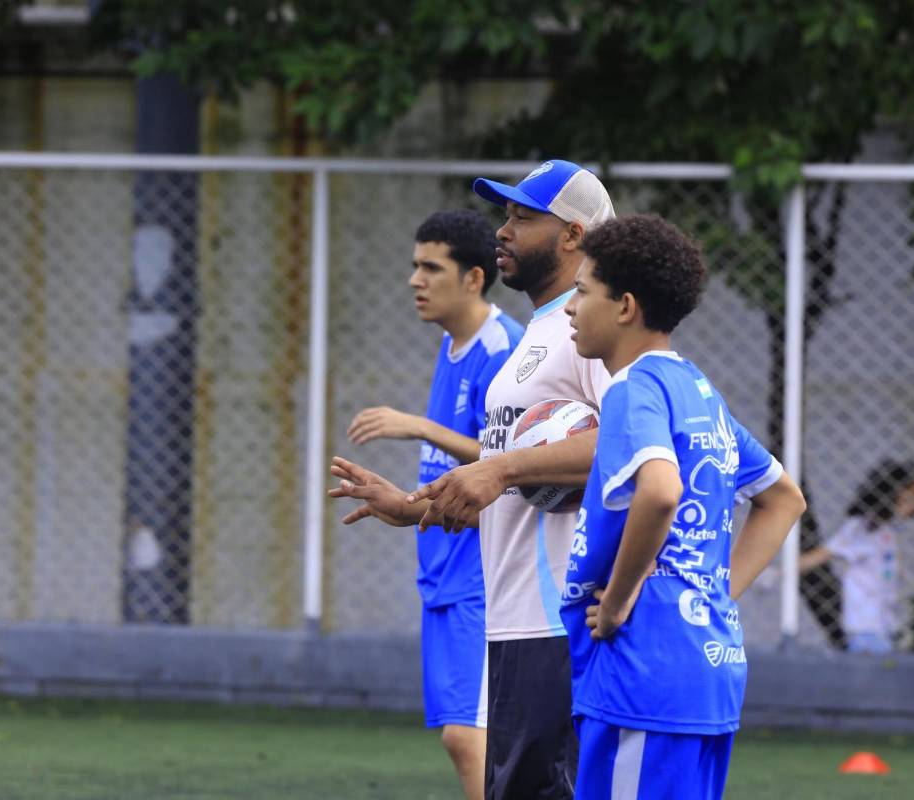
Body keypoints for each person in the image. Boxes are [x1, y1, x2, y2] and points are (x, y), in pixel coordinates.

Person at [331, 159, 616, 799]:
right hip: (512, 618)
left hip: (554, 619)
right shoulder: (539, 336)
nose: (503, 231)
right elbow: (509, 487)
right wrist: (415, 506)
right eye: (504, 216)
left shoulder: (588, 329)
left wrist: (501, 466)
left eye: (521, 217)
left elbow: (627, 448)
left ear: (573, 235)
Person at [559, 213, 807, 799]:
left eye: (581, 290)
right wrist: (711, 588)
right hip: (707, 663)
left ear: (624, 306)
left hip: (643, 670)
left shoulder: (631, 388)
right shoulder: (699, 391)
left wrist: (617, 602)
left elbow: (661, 490)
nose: (570, 307)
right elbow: (783, 499)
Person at [342, 209, 524, 800]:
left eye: (431, 267)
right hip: (443, 567)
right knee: (467, 735)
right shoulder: (454, 344)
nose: (415, 279)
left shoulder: (505, 349)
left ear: (474, 278)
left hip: (487, 571)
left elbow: (513, 458)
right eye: (414, 266)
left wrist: (417, 426)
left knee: (469, 737)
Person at [798, 460, 914, 654]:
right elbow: (825, 553)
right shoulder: (862, 528)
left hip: (883, 623)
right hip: (864, 625)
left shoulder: (888, 531)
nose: (913, 507)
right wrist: (779, 571)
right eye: (907, 500)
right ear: (890, 496)